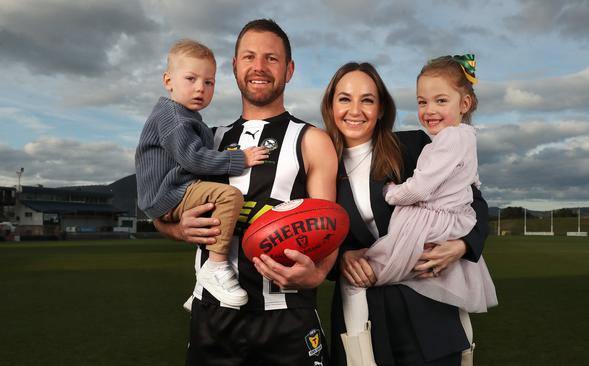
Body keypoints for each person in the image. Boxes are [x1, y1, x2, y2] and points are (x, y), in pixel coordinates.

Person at [154, 19, 338, 366]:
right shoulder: (206, 139)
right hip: (214, 315)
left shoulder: (312, 140)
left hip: (287, 311)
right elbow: (158, 205)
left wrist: (318, 272)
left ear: (289, 69)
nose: (259, 67)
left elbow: (329, 227)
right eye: (249, 57)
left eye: (272, 58)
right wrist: (175, 228)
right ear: (235, 66)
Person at [321, 61, 490, 365]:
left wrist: (462, 245)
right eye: (345, 98)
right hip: (362, 317)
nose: (355, 110)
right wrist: (342, 257)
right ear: (331, 105)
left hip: (427, 309)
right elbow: (314, 230)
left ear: (382, 108)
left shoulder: (413, 146)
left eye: (367, 99)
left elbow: (472, 201)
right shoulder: (320, 161)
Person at [135, 39, 269, 308]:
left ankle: (200, 286)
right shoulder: (174, 116)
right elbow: (192, 158)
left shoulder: (184, 115)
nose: (200, 88)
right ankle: (214, 268)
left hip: (172, 191)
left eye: (209, 82)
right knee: (229, 197)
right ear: (168, 80)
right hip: (170, 192)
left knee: (213, 211)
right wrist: (239, 158)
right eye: (191, 78)